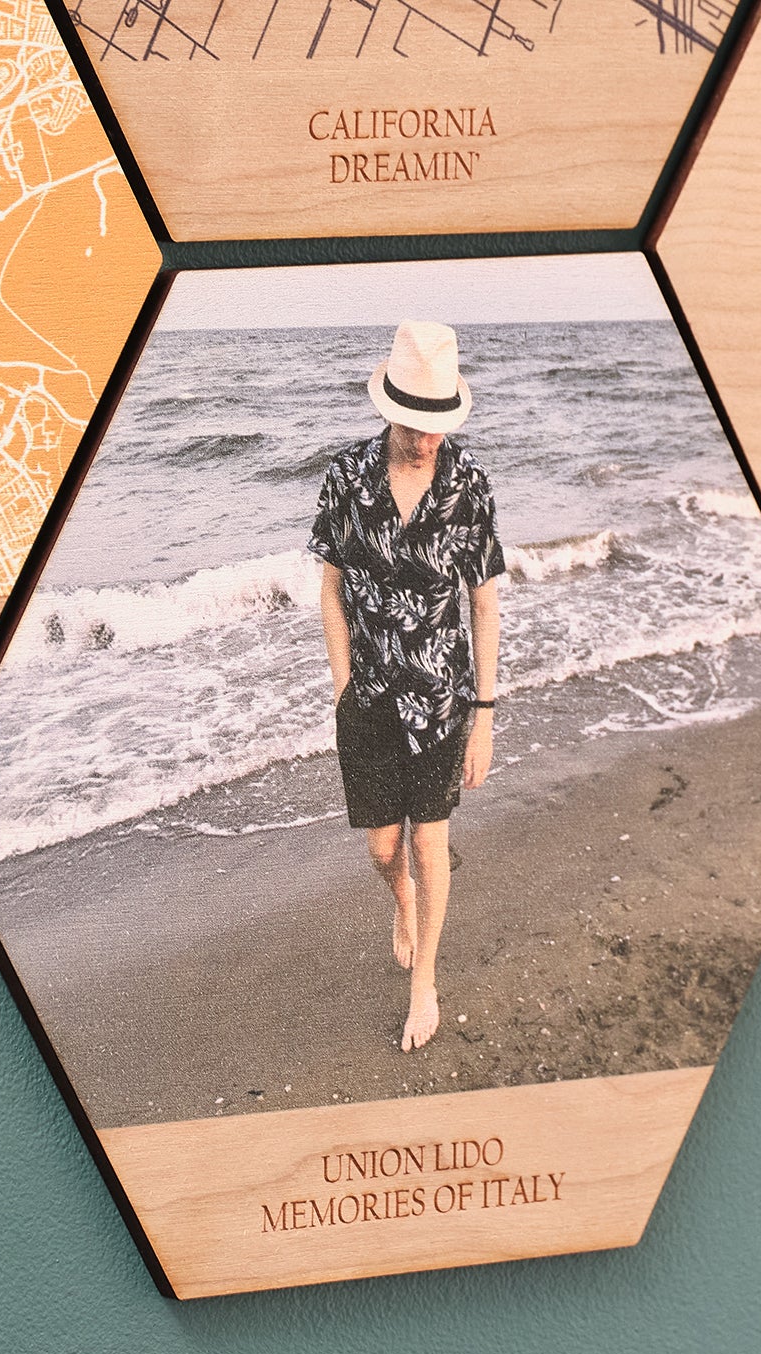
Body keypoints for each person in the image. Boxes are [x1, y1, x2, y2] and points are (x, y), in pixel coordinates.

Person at [309, 319, 504, 1052]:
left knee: (431, 844)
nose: (427, 440)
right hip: (368, 701)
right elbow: (329, 591)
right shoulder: (346, 479)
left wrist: (484, 714)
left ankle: (426, 979)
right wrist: (342, 683)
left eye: (437, 425)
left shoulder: (469, 485)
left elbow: (484, 605)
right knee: (383, 853)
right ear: (389, 408)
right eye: (414, 423)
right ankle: (403, 909)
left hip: (444, 699)